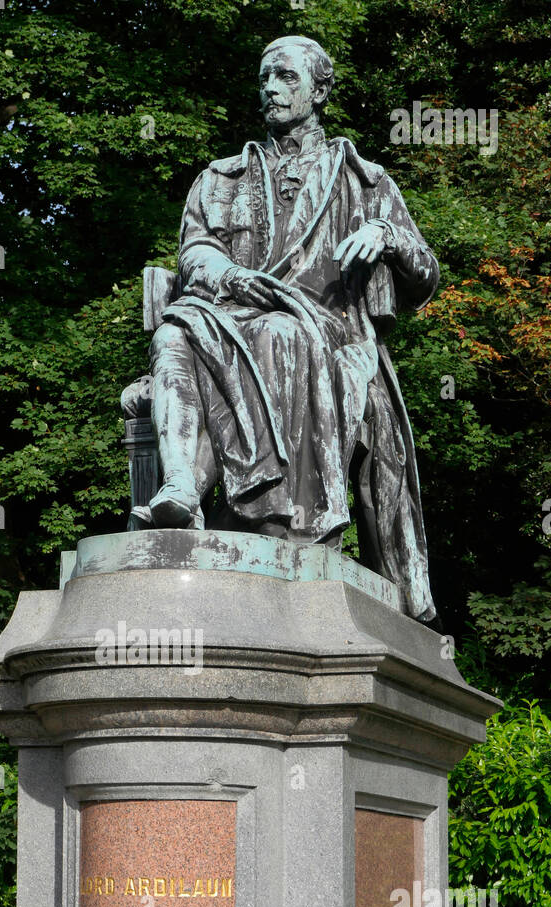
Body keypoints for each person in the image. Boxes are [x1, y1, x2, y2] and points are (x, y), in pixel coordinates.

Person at [140, 34, 439, 622]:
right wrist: (226, 273)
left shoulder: (364, 181)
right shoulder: (220, 179)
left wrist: (390, 237)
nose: (271, 90)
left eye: (286, 78)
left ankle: (280, 518)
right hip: (229, 310)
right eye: (264, 80)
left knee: (282, 334)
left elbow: (426, 276)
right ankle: (179, 490)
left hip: (325, 329)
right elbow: (194, 250)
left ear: (320, 90)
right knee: (174, 329)